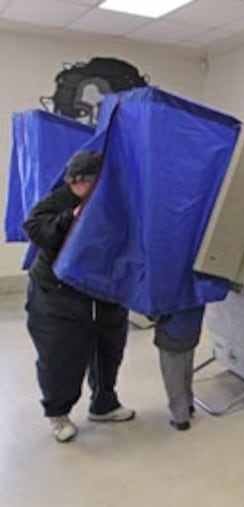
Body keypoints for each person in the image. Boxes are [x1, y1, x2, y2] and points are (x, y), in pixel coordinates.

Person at [23, 149, 135, 443]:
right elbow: (34, 227)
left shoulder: (111, 201)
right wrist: (70, 218)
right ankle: (58, 414)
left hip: (104, 291)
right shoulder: (58, 200)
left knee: (108, 350)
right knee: (60, 356)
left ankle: (104, 403)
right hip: (57, 296)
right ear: (79, 180)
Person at [153, 306, 205, 431]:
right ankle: (188, 404)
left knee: (173, 374)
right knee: (186, 366)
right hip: (193, 320)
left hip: (170, 326)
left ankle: (180, 417)